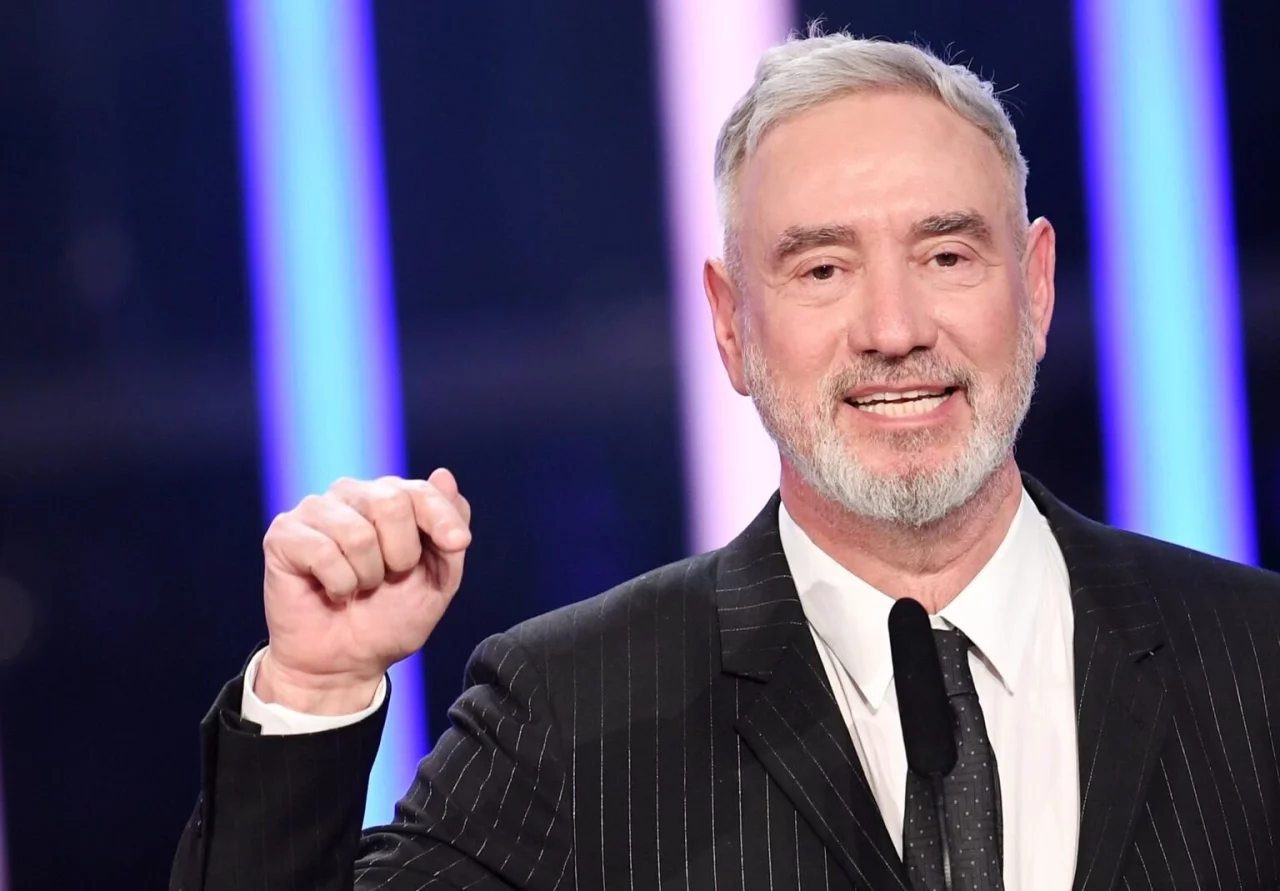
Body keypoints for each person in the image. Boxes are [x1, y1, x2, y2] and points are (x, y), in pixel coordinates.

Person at [171, 29, 1280, 891]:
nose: (894, 329)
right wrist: (316, 689)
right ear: (729, 324)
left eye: (946, 255)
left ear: (1033, 287)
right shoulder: (572, 713)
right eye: (821, 270)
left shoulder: (1257, 661)